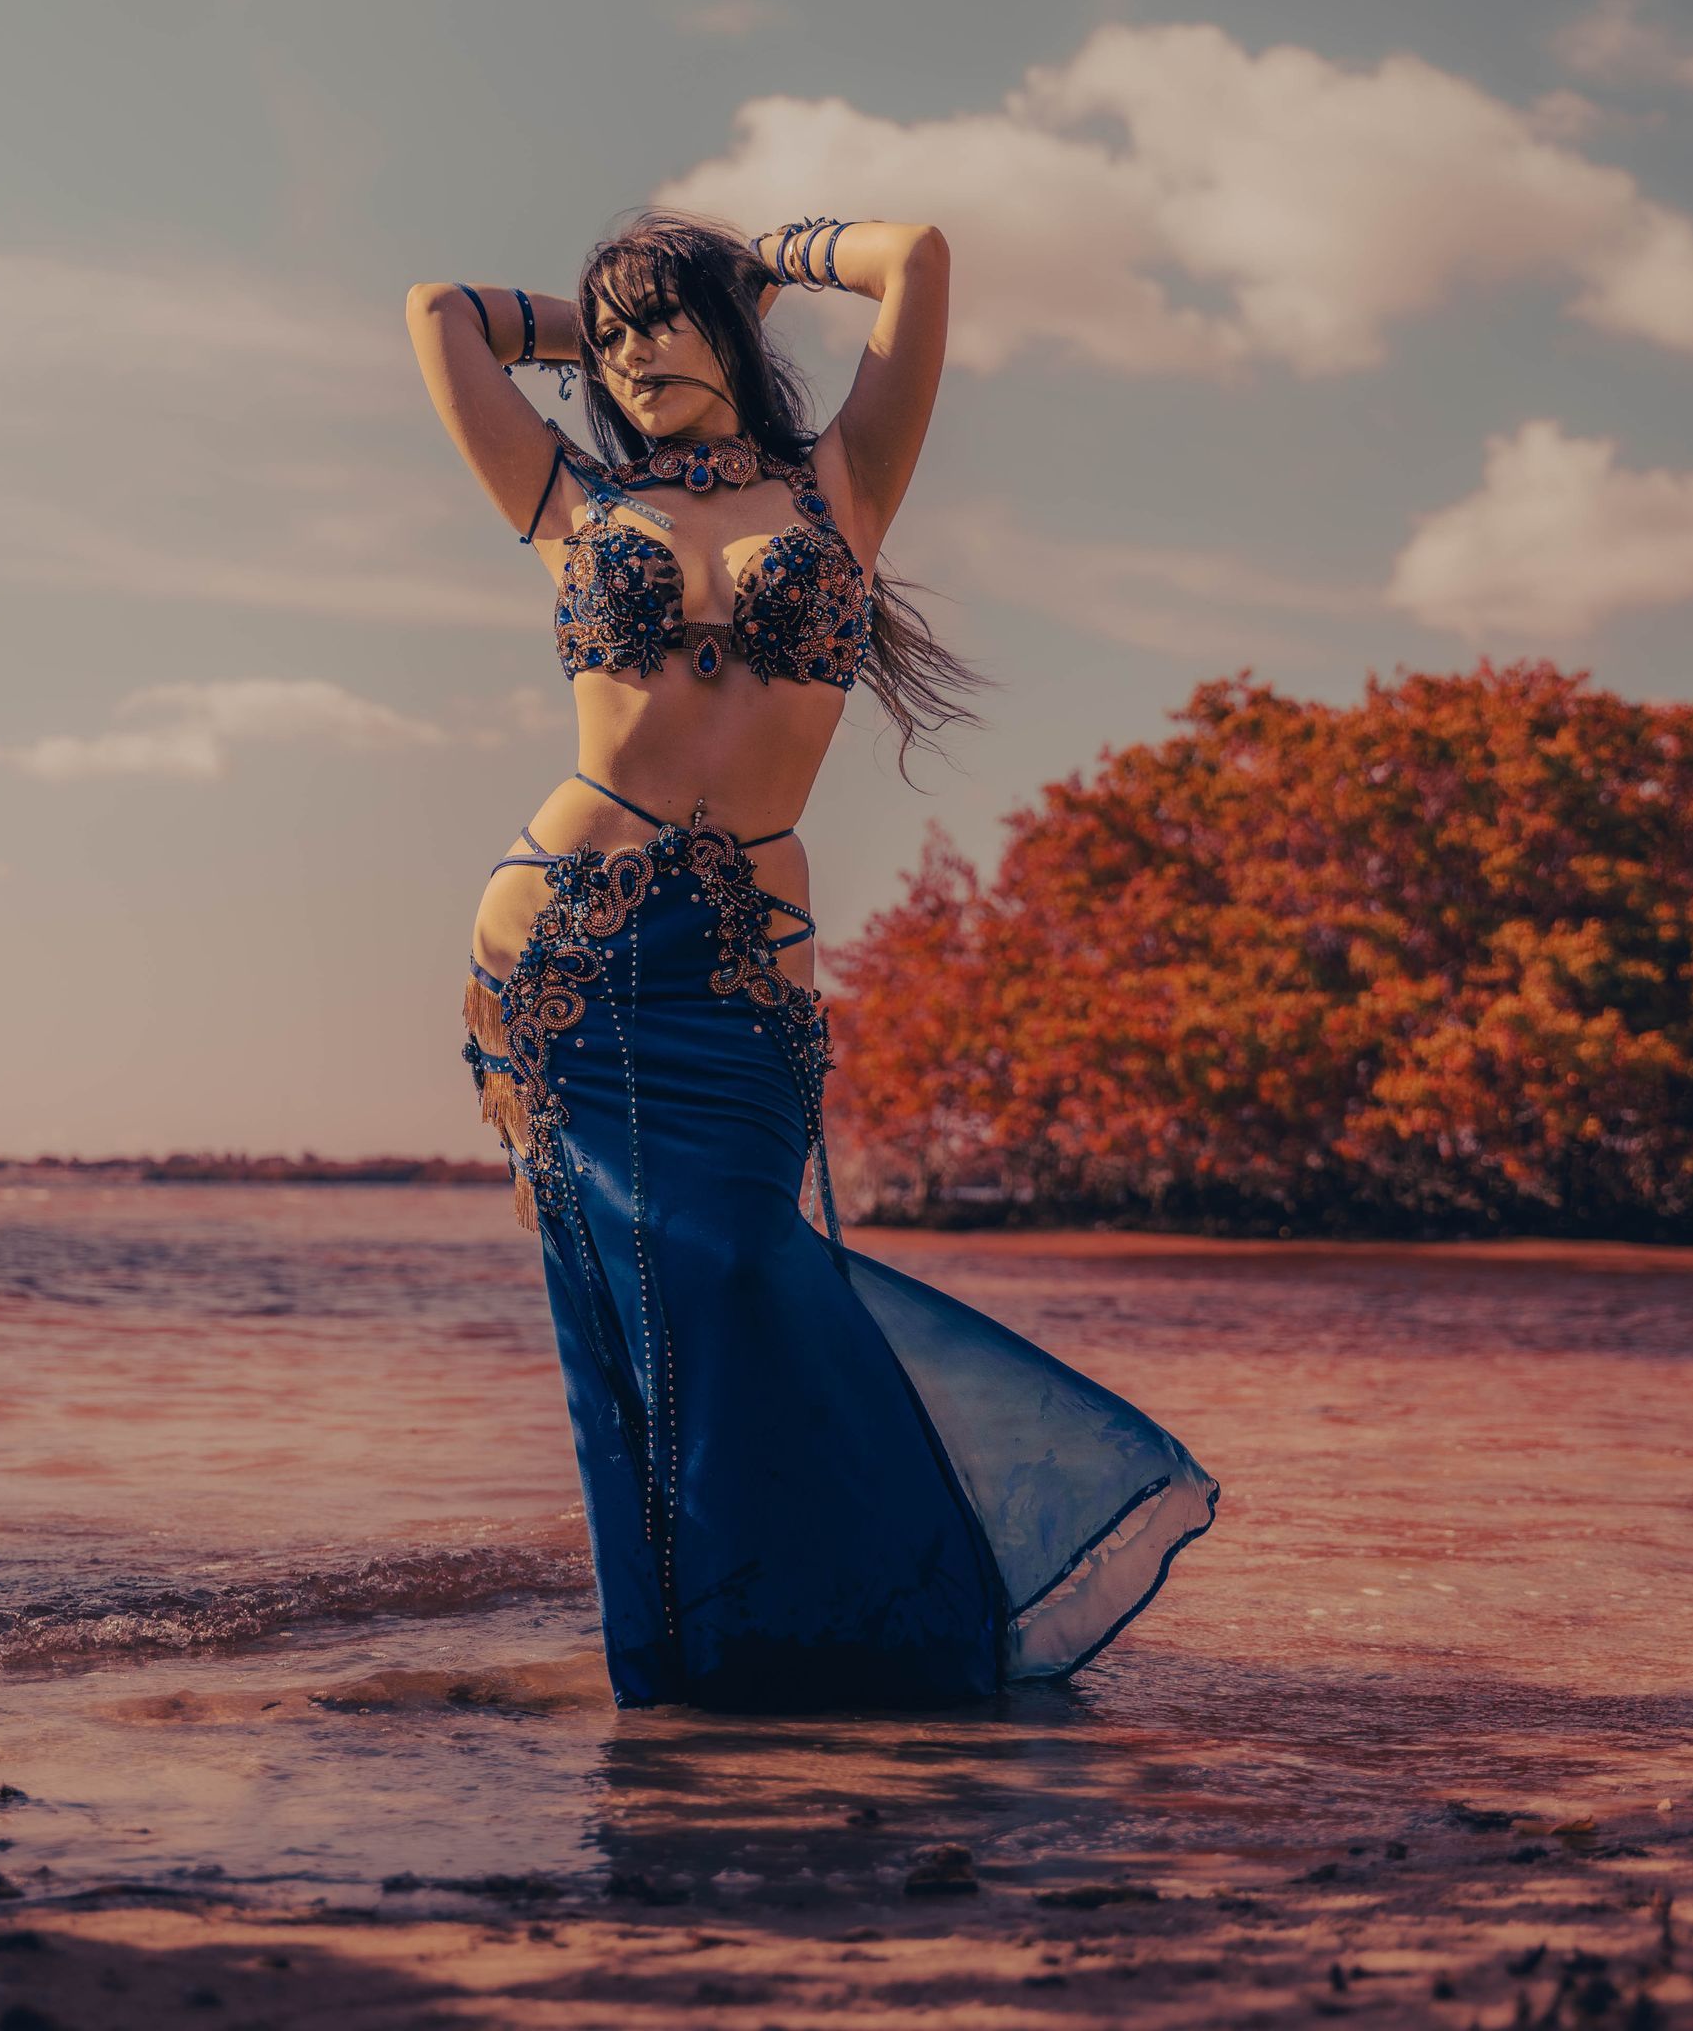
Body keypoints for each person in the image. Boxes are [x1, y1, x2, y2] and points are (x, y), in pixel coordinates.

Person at [405, 208, 1220, 1713]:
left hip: (738, 978)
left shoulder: (842, 487)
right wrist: (599, 319)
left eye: (667, 318)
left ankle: (822, 1623)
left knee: (747, 1273)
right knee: (660, 1306)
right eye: (616, 332)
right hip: (569, 954)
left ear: (732, 326)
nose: (638, 351)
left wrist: (760, 264)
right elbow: (439, 313)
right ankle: (702, 1660)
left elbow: (916, 259)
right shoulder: (570, 503)